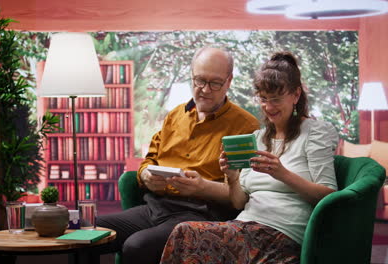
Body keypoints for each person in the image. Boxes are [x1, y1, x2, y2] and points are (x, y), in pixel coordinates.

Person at [159, 51, 339, 264]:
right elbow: (238, 202)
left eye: (276, 99)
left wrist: (283, 174)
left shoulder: (315, 133)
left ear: (296, 95)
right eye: (263, 99)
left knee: (185, 233)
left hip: (282, 233)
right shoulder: (258, 138)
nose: (269, 107)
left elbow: (329, 196)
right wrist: (232, 176)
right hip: (244, 225)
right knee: (185, 235)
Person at [95, 46, 260, 264]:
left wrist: (203, 187)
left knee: (137, 246)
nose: (205, 89)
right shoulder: (175, 115)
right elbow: (149, 160)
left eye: (215, 83)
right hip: (156, 207)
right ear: (191, 76)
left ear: (228, 82)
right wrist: (146, 177)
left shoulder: (246, 126)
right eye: (199, 80)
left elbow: (242, 196)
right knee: (91, 231)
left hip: (201, 215)